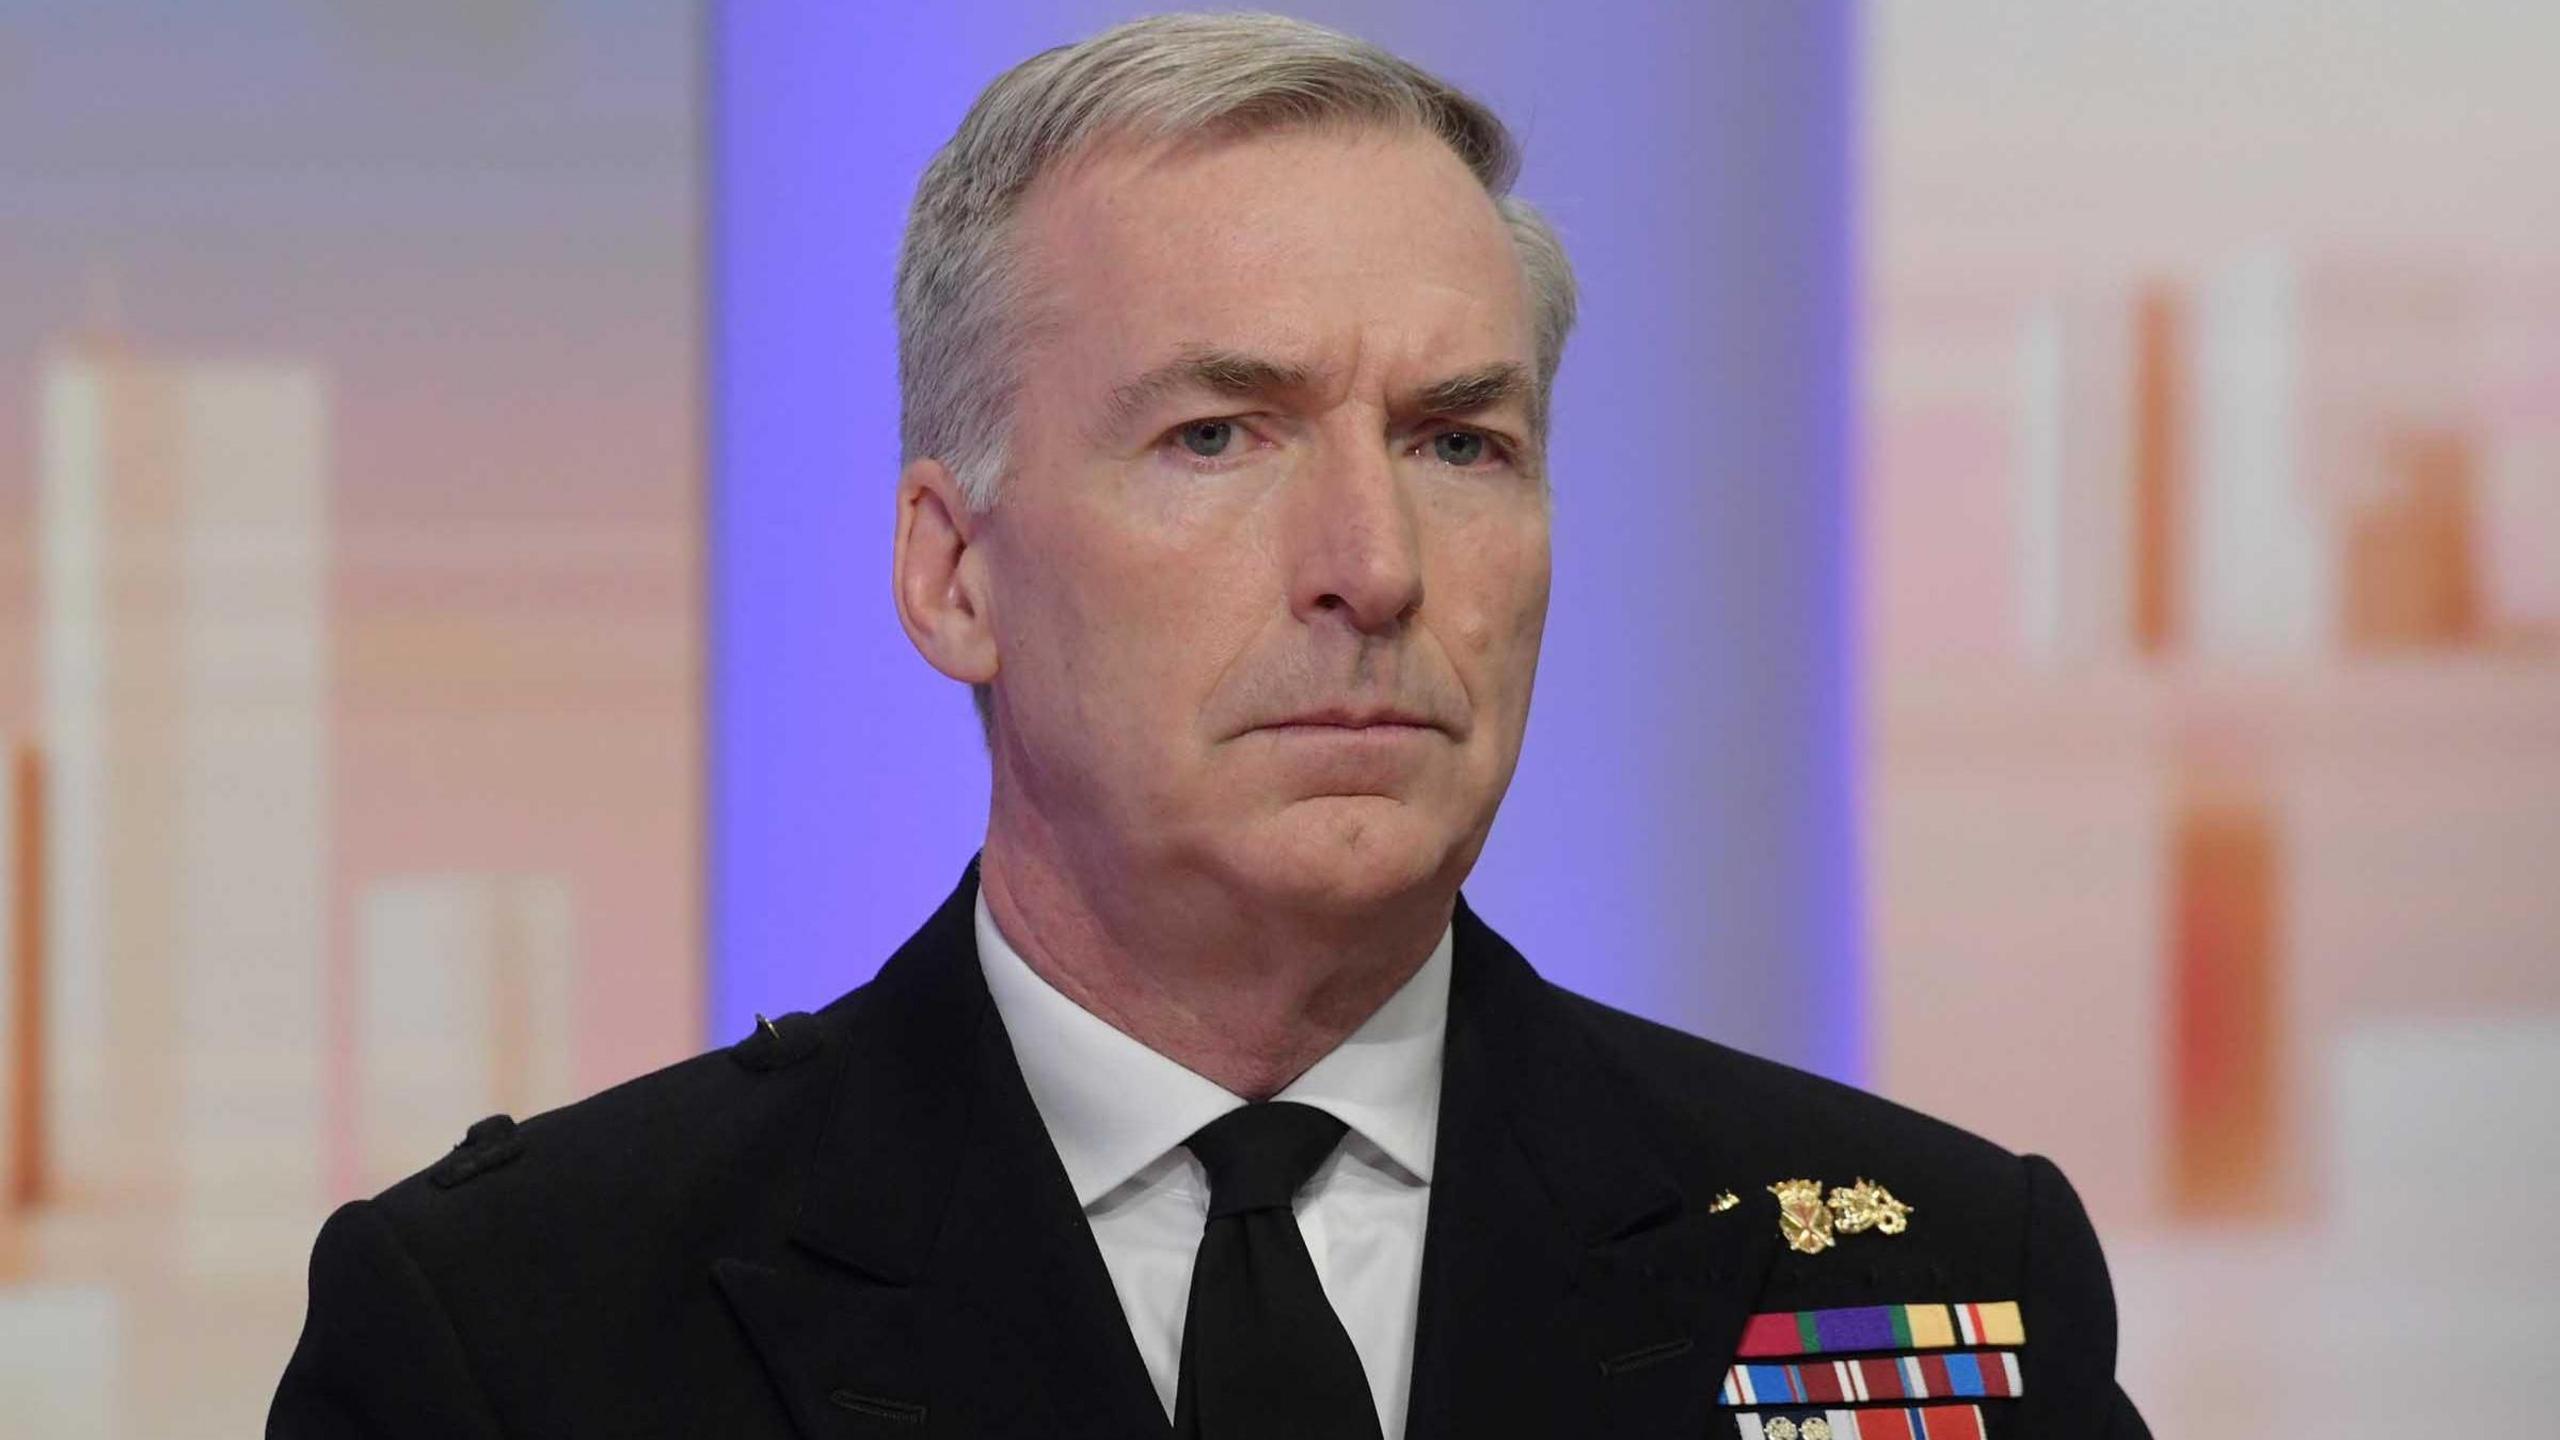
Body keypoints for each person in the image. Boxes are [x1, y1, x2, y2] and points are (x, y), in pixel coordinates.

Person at [271, 14, 2147, 1438]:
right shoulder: (515, 1340)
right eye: (1218, 437)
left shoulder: (1940, 1284)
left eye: (1458, 441)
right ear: (953, 574)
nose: (1372, 564)